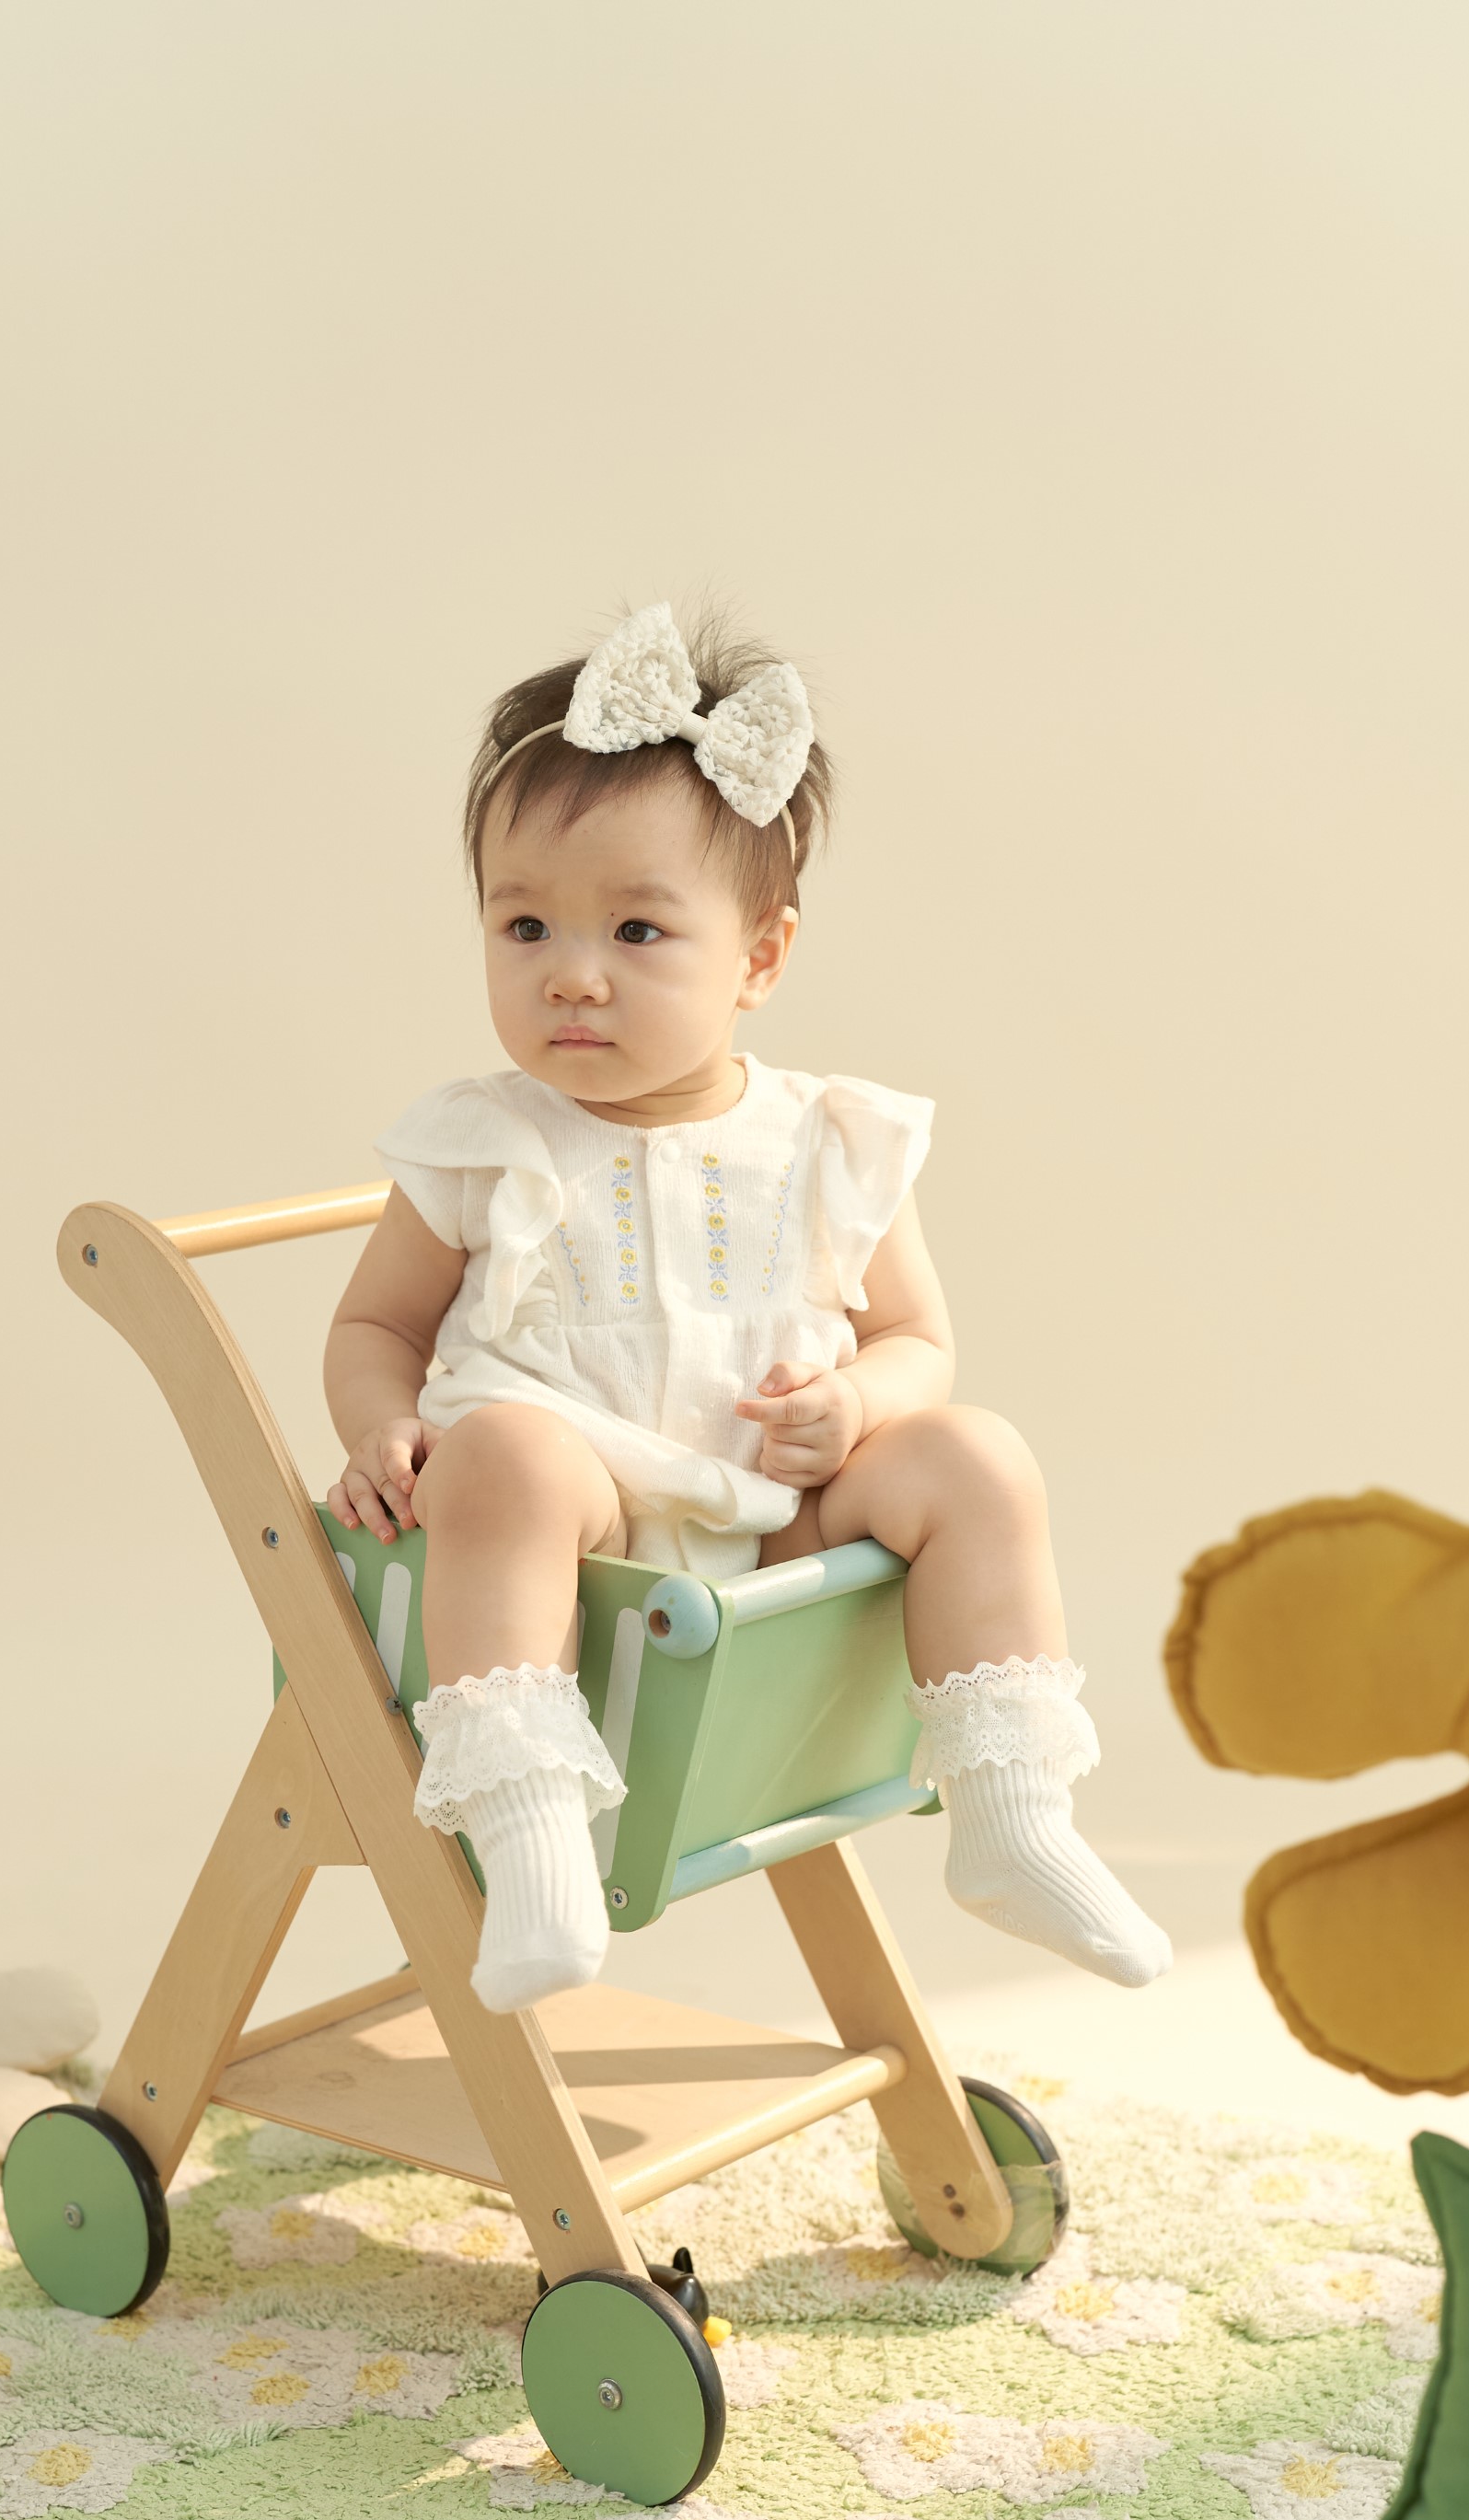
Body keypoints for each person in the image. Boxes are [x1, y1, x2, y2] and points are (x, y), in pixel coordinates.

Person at [324, 606, 1172, 2014]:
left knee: (977, 1453)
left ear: (759, 959)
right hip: (574, 1532)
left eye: (636, 929)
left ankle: (1012, 1813)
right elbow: (376, 1329)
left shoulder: (830, 1140)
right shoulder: (484, 1140)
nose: (571, 971)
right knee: (509, 1451)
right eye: (524, 924)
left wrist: (857, 1403)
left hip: (775, 1535)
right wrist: (379, 1424)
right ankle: (529, 1827)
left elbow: (917, 1341)